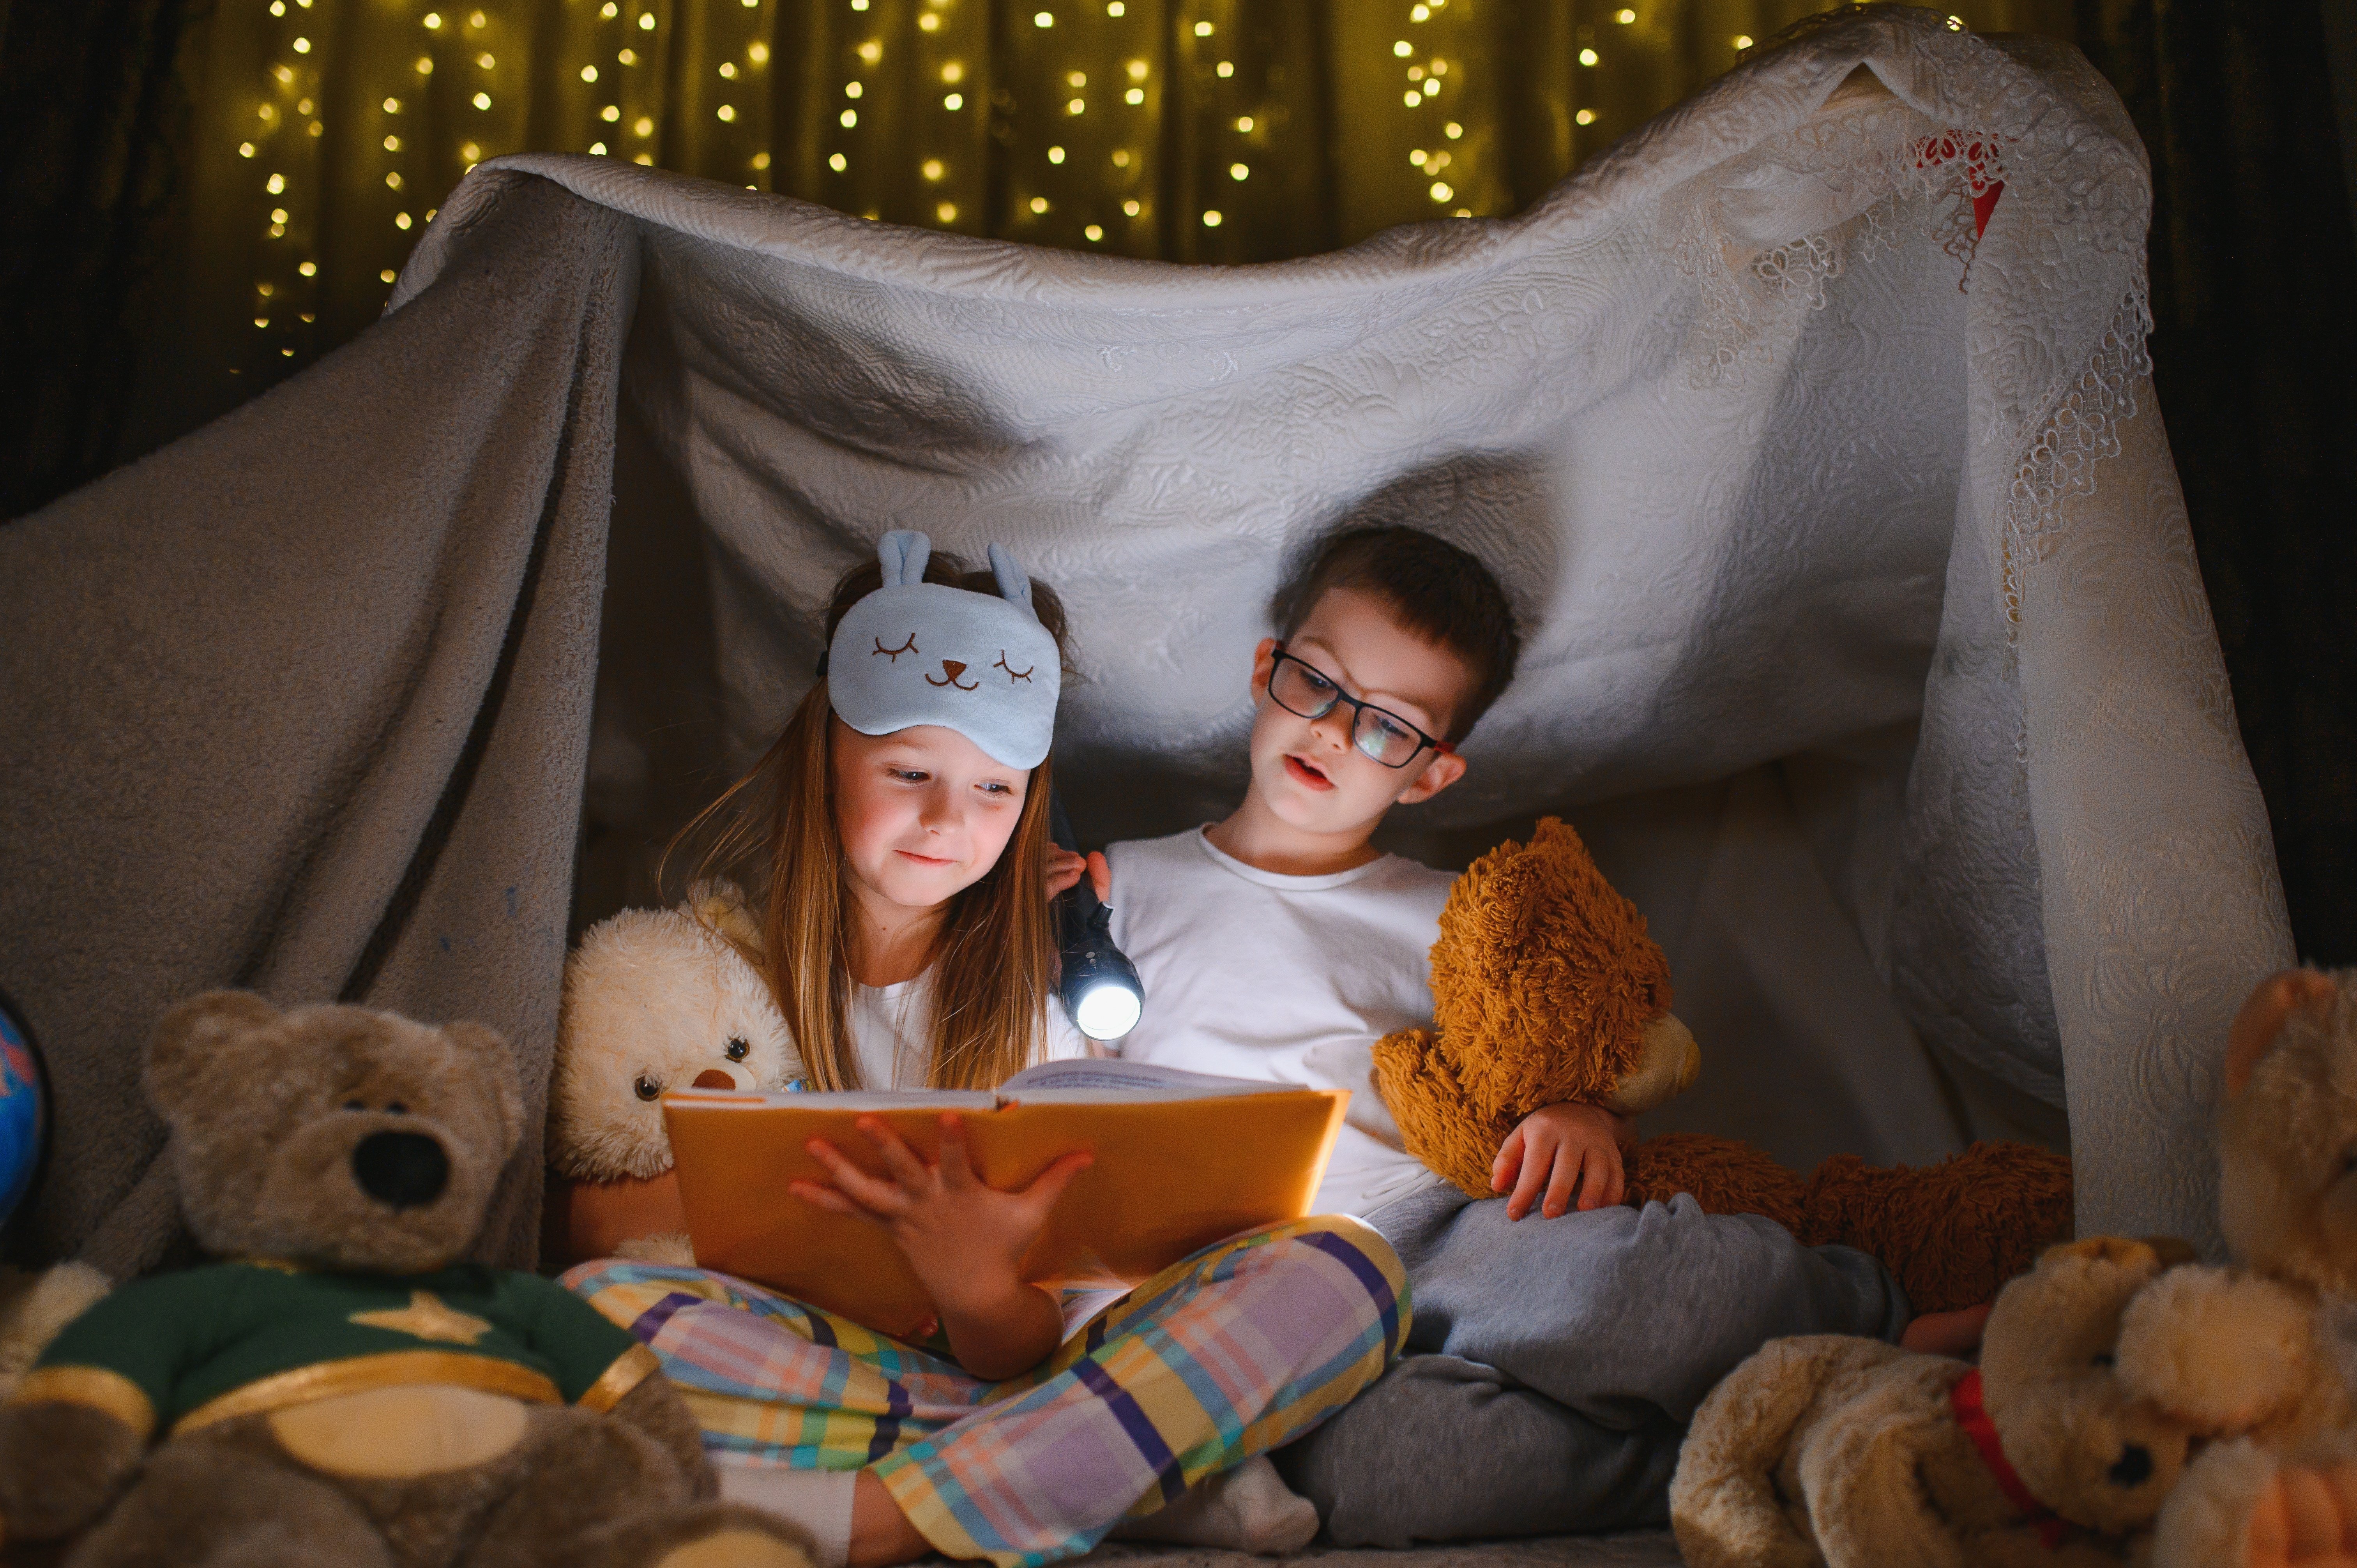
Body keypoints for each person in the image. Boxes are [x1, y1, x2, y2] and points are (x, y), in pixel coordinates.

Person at [562, 533, 1406, 1568]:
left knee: (1347, 1270)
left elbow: (1024, 1343)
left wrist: (972, 1281)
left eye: (994, 791)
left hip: (1023, 1364)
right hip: (844, 1365)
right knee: (589, 1315)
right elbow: (587, 1223)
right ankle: (1125, 1479)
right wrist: (798, 1190)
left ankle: (874, 1520)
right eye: (909, 770)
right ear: (825, 754)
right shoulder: (719, 966)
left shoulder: (1044, 1000)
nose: (944, 821)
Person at [1076, 523, 1922, 1543]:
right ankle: (1748, 1445)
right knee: (1401, 1481)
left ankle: (1886, 1324)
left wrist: (1576, 1108)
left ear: (1431, 775)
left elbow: (1558, 1041)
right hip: (1234, 1307)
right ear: (1268, 671)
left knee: (1644, 1292)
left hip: (1437, 1236)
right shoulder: (1117, 886)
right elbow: (1059, 1103)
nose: (1337, 734)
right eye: (1320, 686)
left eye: (1390, 728)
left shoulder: (1457, 913)